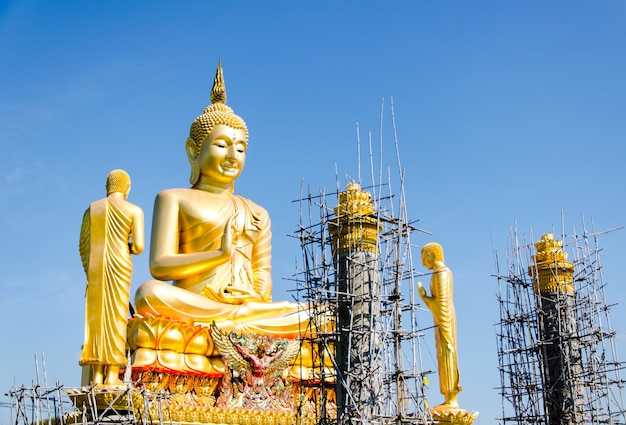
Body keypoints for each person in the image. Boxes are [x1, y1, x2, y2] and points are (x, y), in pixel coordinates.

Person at [134, 61, 308, 337]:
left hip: (244, 306)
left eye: (240, 149)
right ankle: (237, 323)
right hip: (194, 305)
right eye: (221, 145)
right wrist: (220, 255)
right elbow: (159, 266)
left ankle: (239, 321)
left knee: (318, 315)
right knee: (148, 294)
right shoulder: (173, 198)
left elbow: (262, 274)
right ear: (194, 151)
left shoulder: (256, 212)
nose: (232, 156)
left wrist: (253, 295)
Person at [79, 169, 144, 386]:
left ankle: (97, 375)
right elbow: (139, 246)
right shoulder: (134, 210)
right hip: (120, 264)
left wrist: (90, 271)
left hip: (97, 266)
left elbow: (83, 245)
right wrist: (125, 245)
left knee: (97, 319)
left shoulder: (92, 209)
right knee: (116, 317)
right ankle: (112, 374)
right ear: (127, 188)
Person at [418, 242, 462, 411]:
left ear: (432, 255)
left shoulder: (441, 275)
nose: (423, 263)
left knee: (447, 357)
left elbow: (442, 306)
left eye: (424, 258)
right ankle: (448, 398)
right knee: (442, 358)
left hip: (445, 321)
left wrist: (424, 297)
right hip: (441, 321)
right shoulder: (438, 274)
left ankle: (451, 398)